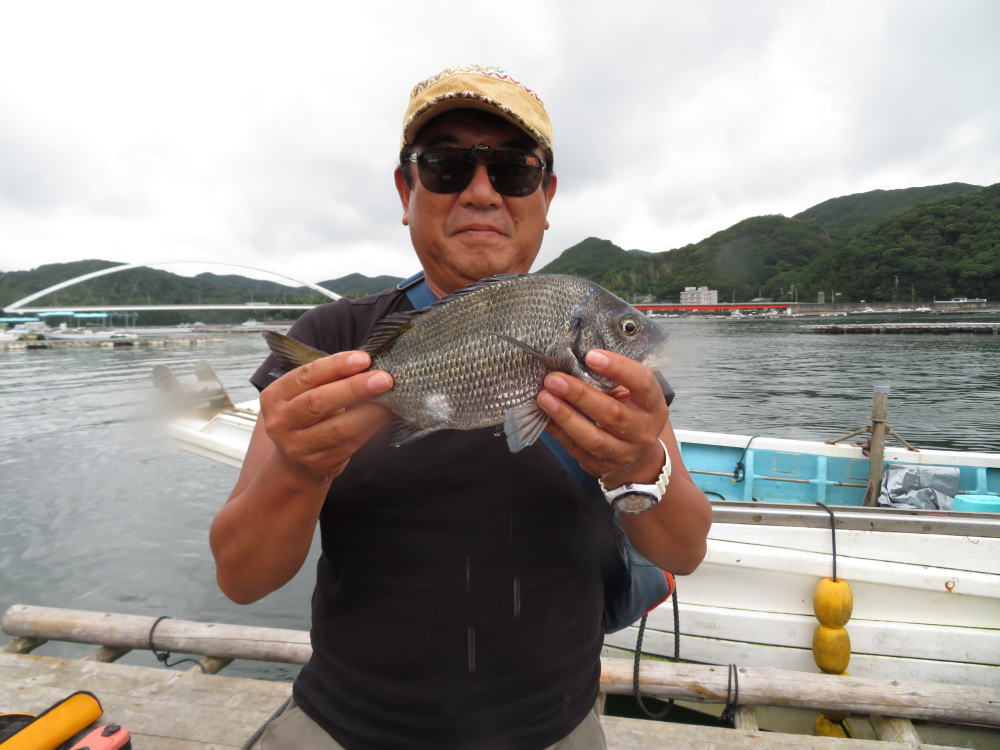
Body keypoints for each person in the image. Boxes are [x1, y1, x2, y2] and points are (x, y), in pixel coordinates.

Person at [211, 65, 712, 750]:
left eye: (513, 170)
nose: (481, 191)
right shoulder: (332, 340)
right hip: (344, 726)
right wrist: (299, 470)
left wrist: (637, 463)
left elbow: (684, 549)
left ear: (547, 195)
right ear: (406, 190)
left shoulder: (611, 370)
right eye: (446, 166)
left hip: (554, 729)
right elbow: (241, 578)